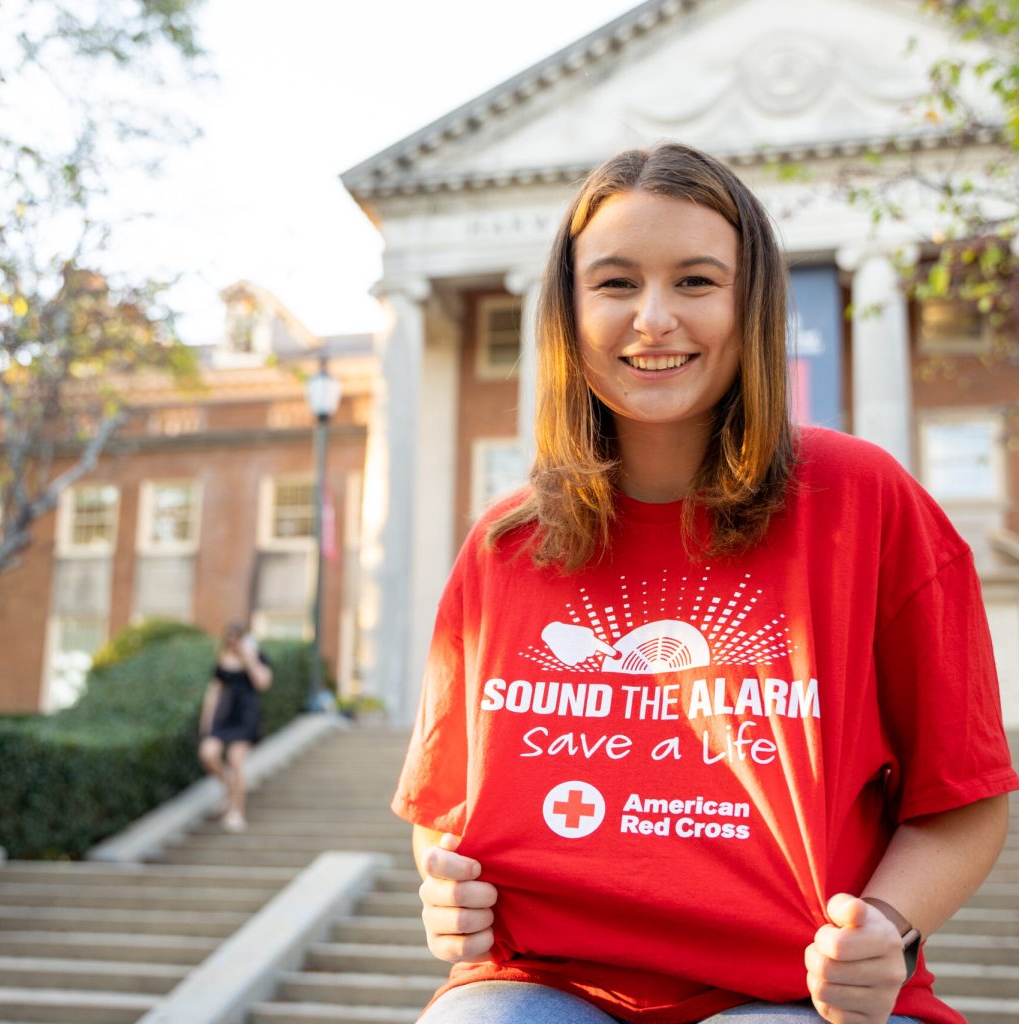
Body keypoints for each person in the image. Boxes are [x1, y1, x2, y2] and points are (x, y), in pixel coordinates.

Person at [392, 143, 1018, 1024]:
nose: (653, 318)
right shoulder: (506, 543)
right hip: (547, 981)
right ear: (568, 314)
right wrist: (447, 888)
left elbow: (967, 797)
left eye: (695, 281)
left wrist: (885, 925)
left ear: (751, 303)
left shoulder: (865, 501)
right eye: (614, 284)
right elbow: (446, 806)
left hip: (794, 993)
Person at [199, 622, 272, 832]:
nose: (233, 643)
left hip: (246, 716)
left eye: (236, 639)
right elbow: (214, 691)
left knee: (235, 761)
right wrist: (206, 722)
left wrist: (249, 658)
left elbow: (263, 683)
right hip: (223, 716)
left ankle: (236, 811)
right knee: (208, 754)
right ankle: (230, 788)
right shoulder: (222, 659)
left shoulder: (256, 656)